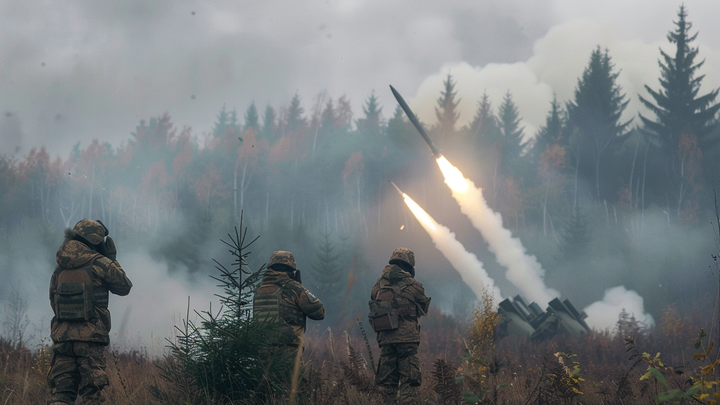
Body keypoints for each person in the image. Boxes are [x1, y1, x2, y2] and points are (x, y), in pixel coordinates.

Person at [47, 219, 132, 405]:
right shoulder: (100, 263)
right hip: (91, 340)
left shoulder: (60, 266)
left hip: (63, 339)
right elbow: (124, 287)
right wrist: (112, 259)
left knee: (61, 394)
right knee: (92, 395)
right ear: (96, 240)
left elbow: (53, 299)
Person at [369, 248, 431, 405]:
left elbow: (373, 300)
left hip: (386, 340)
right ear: (410, 265)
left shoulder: (378, 284)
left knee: (386, 385)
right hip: (407, 340)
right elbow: (423, 305)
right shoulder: (415, 285)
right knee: (409, 384)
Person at [253, 250, 325, 365]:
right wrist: (300, 286)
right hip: (288, 348)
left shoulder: (258, 289)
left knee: (267, 381)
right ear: (291, 269)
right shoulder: (293, 287)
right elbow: (319, 312)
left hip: (263, 348)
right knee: (291, 382)